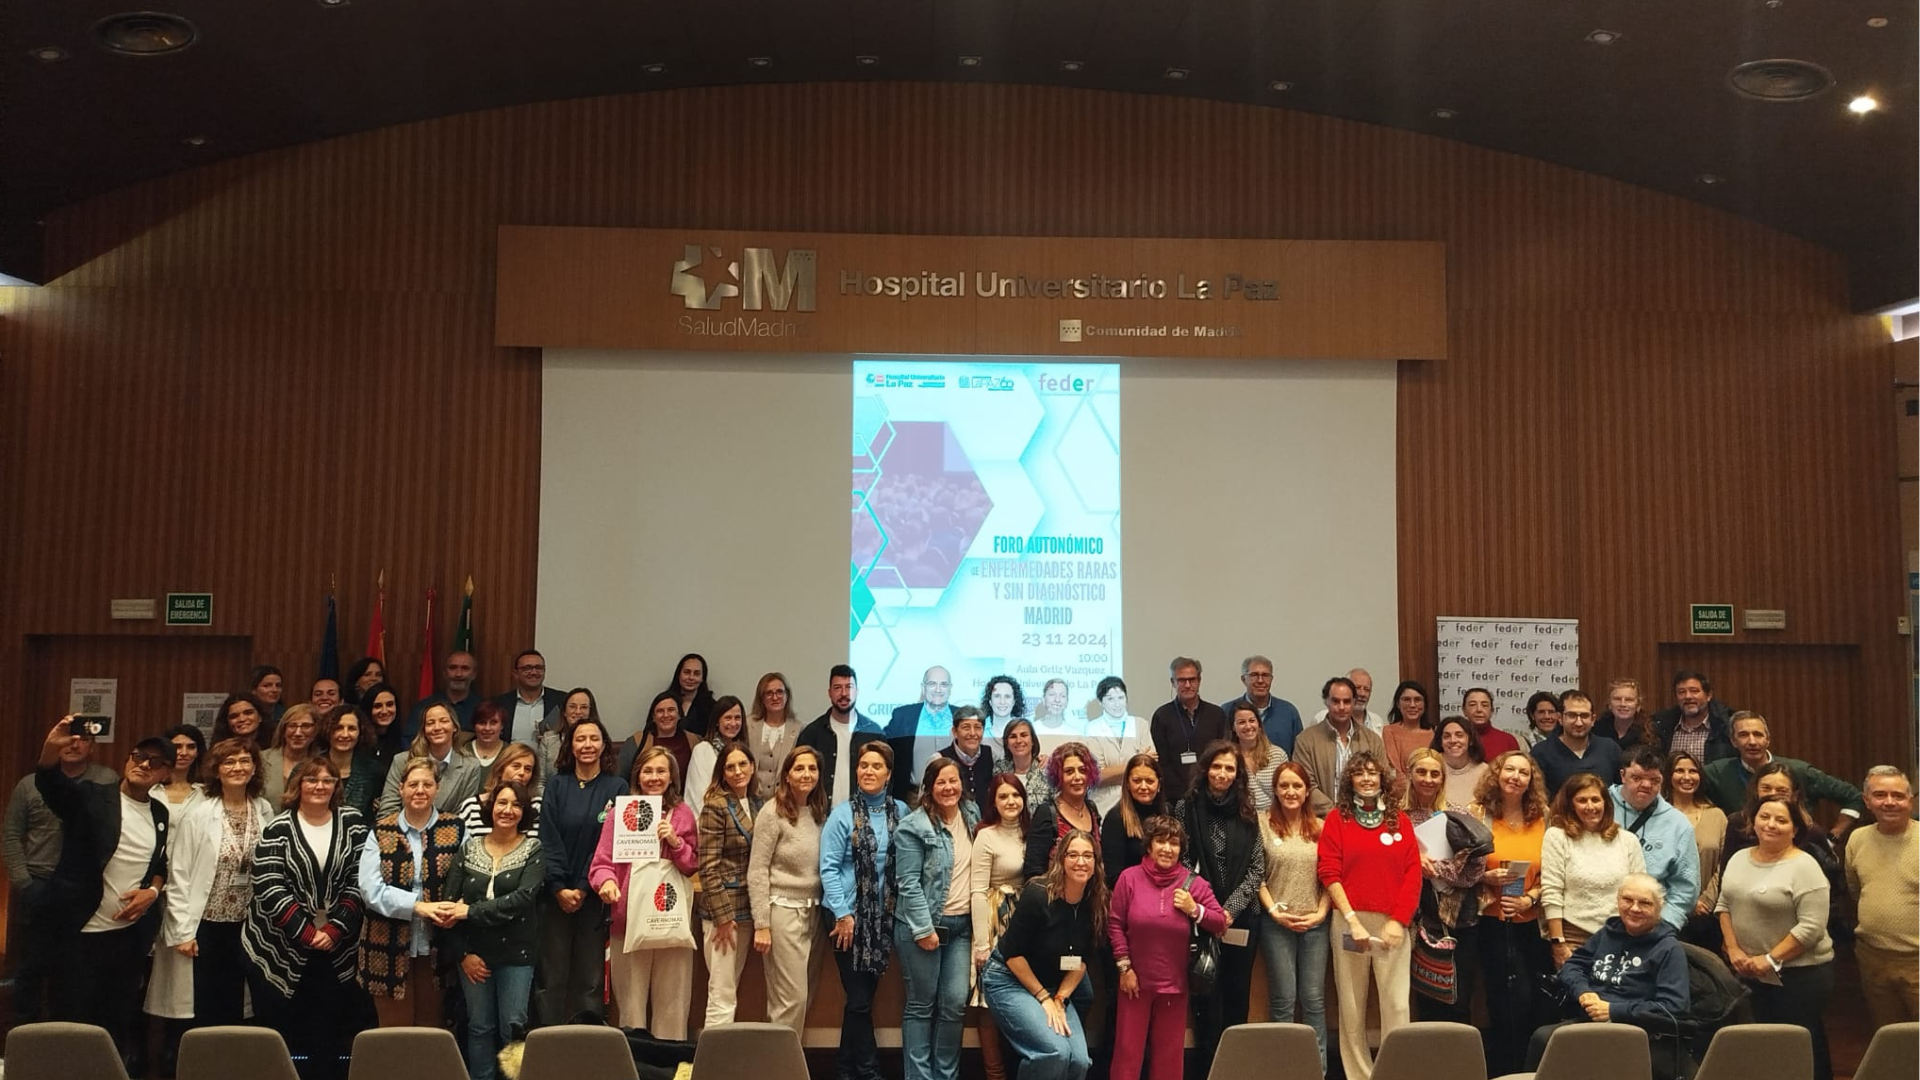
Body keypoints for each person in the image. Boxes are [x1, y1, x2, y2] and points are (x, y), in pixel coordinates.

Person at [33, 719, 173, 1071]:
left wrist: (152, 892)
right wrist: (52, 747)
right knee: (69, 1025)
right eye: (139, 756)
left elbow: (161, 863)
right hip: (79, 935)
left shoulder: (160, 813)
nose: (144, 764)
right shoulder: (93, 796)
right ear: (128, 760)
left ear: (164, 774)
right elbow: (49, 783)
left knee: (113, 1024)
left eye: (155, 762)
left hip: (126, 941)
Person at [244, 757, 368, 1080]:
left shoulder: (353, 823)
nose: (320, 786)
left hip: (335, 945)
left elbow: (362, 879)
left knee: (326, 1029)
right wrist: (306, 931)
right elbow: (267, 882)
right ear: (297, 786)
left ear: (336, 787)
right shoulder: (279, 827)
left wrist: (333, 929)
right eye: (312, 780)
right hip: (279, 945)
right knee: (282, 1029)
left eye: (328, 780)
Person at [149, 738, 272, 1052]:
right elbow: (178, 875)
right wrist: (181, 932)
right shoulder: (199, 814)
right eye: (229, 762)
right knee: (202, 1005)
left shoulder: (264, 809)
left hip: (246, 924)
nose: (237, 768)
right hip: (204, 924)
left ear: (254, 767)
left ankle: (228, 1067)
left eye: (245, 761)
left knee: (236, 1006)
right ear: (216, 770)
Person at [3, 718, 116, 1023]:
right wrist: (24, 883)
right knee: (29, 969)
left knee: (72, 973)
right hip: (37, 884)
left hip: (82, 893)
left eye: (82, 739)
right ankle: (22, 1040)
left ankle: (61, 1042)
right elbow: (11, 835)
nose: (74, 744)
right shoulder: (29, 784)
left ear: (92, 746)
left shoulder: (106, 781)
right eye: (68, 738)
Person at [1716, 794, 1835, 1080]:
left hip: (1801, 974)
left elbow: (1811, 927)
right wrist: (1733, 950)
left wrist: (1771, 959)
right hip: (1748, 970)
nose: (1771, 824)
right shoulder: (1738, 858)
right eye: (1764, 817)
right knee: (1760, 1045)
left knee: (1797, 1045)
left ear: (1794, 829)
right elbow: (1724, 904)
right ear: (1752, 822)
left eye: (1781, 820)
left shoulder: (1805, 866)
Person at [1318, 750, 1420, 1080]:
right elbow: (1329, 872)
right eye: (1359, 773)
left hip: (1393, 924)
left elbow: (1413, 873)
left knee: (1397, 1006)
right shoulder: (1337, 819)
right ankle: (1359, 1076)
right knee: (1351, 1007)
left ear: (1382, 779)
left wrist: (1398, 921)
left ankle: (1397, 1072)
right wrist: (1352, 920)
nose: (1366, 778)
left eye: (1372, 773)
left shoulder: (1398, 820)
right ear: (1350, 779)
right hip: (1350, 923)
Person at [1525, 875, 1690, 1074]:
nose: (1634, 908)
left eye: (1645, 903)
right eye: (1627, 900)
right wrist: (1583, 991)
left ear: (1659, 907)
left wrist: (1614, 1010)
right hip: (1589, 1020)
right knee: (1543, 1038)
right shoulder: (1608, 933)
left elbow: (1674, 1008)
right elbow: (1572, 966)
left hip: (1639, 1030)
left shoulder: (1669, 949)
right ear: (1618, 901)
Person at [591, 744, 699, 1040]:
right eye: (648, 771)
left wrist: (675, 842)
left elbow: (692, 865)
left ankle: (670, 1067)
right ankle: (636, 1066)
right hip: (627, 921)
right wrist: (607, 883)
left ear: (672, 776)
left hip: (670, 919)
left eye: (661, 771)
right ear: (637, 774)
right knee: (631, 1007)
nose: (654, 777)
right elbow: (601, 863)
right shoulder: (620, 813)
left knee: (673, 1003)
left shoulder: (682, 813)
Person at [978, 830, 1106, 1080]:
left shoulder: (1096, 902)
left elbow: (1080, 963)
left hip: (1053, 985)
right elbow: (1013, 955)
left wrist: (1059, 998)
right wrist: (1044, 998)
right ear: (1061, 859)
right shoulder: (1038, 893)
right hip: (1009, 979)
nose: (1081, 862)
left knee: (1078, 1062)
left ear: (1095, 863)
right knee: (1053, 1053)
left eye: (1088, 856)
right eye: (1073, 855)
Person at [1108, 816, 1227, 1080]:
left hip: (1175, 985)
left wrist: (1194, 909)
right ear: (1149, 846)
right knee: (1127, 1055)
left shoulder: (1192, 883)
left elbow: (1219, 922)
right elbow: (1115, 925)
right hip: (1134, 983)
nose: (1167, 848)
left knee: (1169, 1058)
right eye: (1160, 841)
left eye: (1173, 843)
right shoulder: (1129, 879)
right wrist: (1124, 967)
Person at [443, 781, 544, 1080]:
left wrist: (471, 911)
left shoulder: (533, 849)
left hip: (516, 953)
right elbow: (449, 907)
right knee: (478, 1027)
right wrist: (462, 955)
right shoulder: (469, 847)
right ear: (491, 807)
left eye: (515, 805)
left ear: (523, 812)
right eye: (502, 803)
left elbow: (522, 900)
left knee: (513, 1026)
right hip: (474, 955)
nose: (507, 810)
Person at [821, 741, 908, 1080]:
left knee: (860, 1002)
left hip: (882, 919)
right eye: (863, 765)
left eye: (876, 766)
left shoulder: (901, 812)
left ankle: (844, 1069)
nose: (868, 771)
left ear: (888, 774)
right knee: (858, 1000)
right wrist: (843, 914)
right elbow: (828, 868)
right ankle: (870, 1072)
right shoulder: (842, 814)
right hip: (846, 918)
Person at [1177, 740, 1265, 1071]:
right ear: (1205, 769)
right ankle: (1208, 1066)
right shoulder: (1187, 807)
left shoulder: (1246, 807)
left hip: (1242, 918)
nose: (1223, 774)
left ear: (1237, 773)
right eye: (1217, 766)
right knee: (1205, 994)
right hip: (1200, 915)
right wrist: (1211, 911)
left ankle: (1235, 1067)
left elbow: (1257, 869)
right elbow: (1184, 862)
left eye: (1230, 768)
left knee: (1236, 993)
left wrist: (1229, 911)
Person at [535, 716, 626, 1025]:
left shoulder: (617, 787)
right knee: (552, 977)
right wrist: (560, 886)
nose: (587, 745)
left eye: (594, 739)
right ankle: (547, 1048)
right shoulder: (557, 785)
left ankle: (587, 1049)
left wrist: (584, 887)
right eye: (580, 739)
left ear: (604, 746)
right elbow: (548, 838)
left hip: (594, 896)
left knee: (589, 981)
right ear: (570, 746)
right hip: (555, 895)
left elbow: (609, 844)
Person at [358, 756, 462, 1026]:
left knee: (432, 1029)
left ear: (437, 789)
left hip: (437, 947)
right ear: (401, 788)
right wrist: (418, 906)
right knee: (394, 1032)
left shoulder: (457, 828)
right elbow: (370, 890)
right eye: (413, 784)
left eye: (427, 784)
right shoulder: (381, 831)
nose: (420, 790)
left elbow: (469, 881)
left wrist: (458, 908)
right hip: (386, 947)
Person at [894, 757, 980, 1080]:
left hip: (960, 929)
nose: (948, 787)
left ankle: (946, 1076)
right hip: (923, 927)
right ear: (928, 787)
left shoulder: (972, 815)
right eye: (941, 782)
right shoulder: (913, 826)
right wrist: (924, 929)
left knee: (956, 1004)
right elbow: (908, 883)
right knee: (920, 1006)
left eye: (953, 781)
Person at [1467, 751, 1551, 1075]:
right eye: (1510, 770)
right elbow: (1454, 867)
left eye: (1524, 772)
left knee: (1532, 999)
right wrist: (1483, 877)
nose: (1516, 777)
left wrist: (1529, 898)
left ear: (1532, 780)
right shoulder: (1477, 814)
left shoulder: (1543, 815)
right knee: (1503, 1002)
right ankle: (1504, 1070)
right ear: (1497, 774)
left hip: (1533, 923)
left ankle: (1531, 1069)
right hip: (1491, 921)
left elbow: (1556, 871)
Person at [749, 745, 830, 1033]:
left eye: (812, 768)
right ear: (787, 774)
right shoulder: (772, 813)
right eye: (799, 768)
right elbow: (757, 869)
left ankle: (783, 1062)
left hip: (815, 914)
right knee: (789, 1001)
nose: (806, 774)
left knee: (804, 998)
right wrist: (762, 923)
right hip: (782, 912)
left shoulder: (820, 811)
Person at [1256, 762, 1330, 1070]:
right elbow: (1256, 877)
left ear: (1307, 790)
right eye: (1284, 785)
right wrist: (1274, 911)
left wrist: (1321, 913)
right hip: (1276, 924)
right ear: (1275, 789)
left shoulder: (1323, 827)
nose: (1290, 792)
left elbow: (1331, 877)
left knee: (1313, 1001)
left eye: (1296, 786)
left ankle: (1317, 1070)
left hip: (1316, 924)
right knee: (1283, 1000)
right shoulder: (1261, 824)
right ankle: (1282, 1070)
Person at [1541, 772, 1646, 963]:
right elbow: (1551, 892)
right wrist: (1558, 943)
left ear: (1605, 803)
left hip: (1621, 937)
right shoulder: (1557, 837)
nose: (1590, 806)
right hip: (1573, 938)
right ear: (1570, 804)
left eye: (1595, 800)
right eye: (1582, 800)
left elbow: (1641, 892)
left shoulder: (1628, 840)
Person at [1700, 712, 1864, 833]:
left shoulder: (1798, 771)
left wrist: (1833, 837)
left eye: (1758, 735)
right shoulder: (1718, 771)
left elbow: (1854, 797)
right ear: (1733, 741)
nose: (1751, 741)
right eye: (1743, 735)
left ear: (1767, 740)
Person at [697, 740, 765, 1028]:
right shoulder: (715, 806)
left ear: (752, 766)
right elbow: (708, 868)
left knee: (733, 988)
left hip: (749, 908)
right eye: (730, 767)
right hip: (722, 914)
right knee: (722, 993)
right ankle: (713, 1065)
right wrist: (722, 918)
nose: (738, 771)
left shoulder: (758, 803)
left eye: (743, 764)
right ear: (722, 773)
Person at [1844, 765, 1918, 1026]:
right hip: (1872, 959)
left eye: (1897, 796)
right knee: (1888, 1037)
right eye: (1880, 795)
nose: (1889, 802)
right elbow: (1856, 889)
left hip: (1917, 960)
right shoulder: (1857, 839)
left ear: (1910, 800)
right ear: (1867, 801)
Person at [970, 774, 1031, 1080]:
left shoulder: (1031, 832)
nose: (1011, 802)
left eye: (1016, 796)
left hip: (1025, 923)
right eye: (1003, 797)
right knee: (989, 1001)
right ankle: (995, 1075)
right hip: (994, 920)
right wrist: (981, 944)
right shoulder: (986, 835)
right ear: (993, 802)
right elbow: (977, 890)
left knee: (1023, 995)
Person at [1611, 745, 1701, 929]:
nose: (1646, 785)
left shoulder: (1678, 825)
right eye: (1636, 778)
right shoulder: (1598, 807)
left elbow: (1685, 888)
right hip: (1596, 918)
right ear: (1622, 775)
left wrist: (1662, 926)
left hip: (1650, 924)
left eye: (1654, 780)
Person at [1293, 676, 1386, 817]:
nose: (1341, 707)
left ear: (1354, 702)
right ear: (1326, 701)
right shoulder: (1306, 740)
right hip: (1321, 820)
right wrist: (1334, 814)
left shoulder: (1373, 740)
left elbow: (1382, 779)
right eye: (1335, 701)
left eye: (1347, 702)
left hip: (1365, 817)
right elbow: (1305, 784)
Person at [798, 664, 887, 805]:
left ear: (857, 691)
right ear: (829, 693)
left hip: (863, 816)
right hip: (820, 816)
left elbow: (886, 780)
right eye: (837, 688)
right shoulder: (812, 733)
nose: (844, 693)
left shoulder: (874, 733)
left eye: (849, 687)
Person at [1665, 750, 1728, 948]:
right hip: (1666, 913)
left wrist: (1706, 901)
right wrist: (1683, 902)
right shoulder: (1656, 815)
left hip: (1707, 915)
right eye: (1679, 771)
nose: (1686, 777)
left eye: (1693, 771)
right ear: (1668, 776)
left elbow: (1724, 864)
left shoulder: (1716, 815)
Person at [379, 702, 484, 816]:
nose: (437, 727)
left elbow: (463, 815)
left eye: (444, 721)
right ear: (424, 730)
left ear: (455, 727)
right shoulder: (402, 761)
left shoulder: (470, 766)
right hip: (400, 831)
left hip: (449, 831)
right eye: (430, 723)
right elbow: (388, 811)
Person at [1148, 657, 1227, 796]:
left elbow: (1224, 754)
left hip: (1212, 792)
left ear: (1199, 681)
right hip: (1174, 796)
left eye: (1192, 679)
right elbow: (1161, 762)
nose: (1188, 685)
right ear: (1173, 682)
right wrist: (1182, 793)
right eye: (1182, 680)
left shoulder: (1216, 714)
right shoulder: (1162, 716)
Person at [1024, 742, 1101, 878]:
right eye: (1069, 771)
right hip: (1054, 895)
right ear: (1058, 777)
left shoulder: (1092, 809)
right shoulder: (1047, 813)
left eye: (1082, 770)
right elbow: (1033, 871)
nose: (1077, 777)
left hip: (1090, 894)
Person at [1528, 690, 1623, 798]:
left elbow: (1622, 793)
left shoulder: (1610, 749)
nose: (1578, 722)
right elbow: (1535, 798)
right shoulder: (1541, 753)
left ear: (1593, 719)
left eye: (1584, 716)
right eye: (1572, 715)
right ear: (1560, 718)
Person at [1099, 753, 1166, 888]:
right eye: (1137, 781)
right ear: (1127, 784)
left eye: (1149, 781)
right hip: (1131, 895)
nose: (1143, 786)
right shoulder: (1115, 818)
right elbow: (1113, 877)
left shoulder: (1168, 812)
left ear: (1159, 784)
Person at [887, 665, 957, 790]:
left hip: (952, 794)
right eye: (932, 684)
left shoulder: (962, 717)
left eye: (944, 684)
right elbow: (885, 752)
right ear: (923, 688)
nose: (938, 689)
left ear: (950, 689)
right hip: (912, 798)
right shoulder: (903, 716)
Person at [1220, 655, 1305, 757]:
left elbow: (1299, 754)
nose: (1260, 680)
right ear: (1243, 679)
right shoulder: (1226, 711)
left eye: (1265, 675)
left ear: (1271, 679)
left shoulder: (1289, 712)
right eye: (1254, 675)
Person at [1083, 676, 1144, 815]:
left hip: (1137, 802)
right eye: (1110, 699)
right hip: (1104, 805)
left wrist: (1113, 771)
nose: (1117, 704)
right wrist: (1136, 764)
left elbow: (1149, 769)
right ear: (1101, 702)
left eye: (1121, 698)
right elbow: (1097, 776)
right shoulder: (1092, 728)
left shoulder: (1140, 725)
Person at [456, 742, 541, 835]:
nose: (522, 773)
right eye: (516, 766)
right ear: (501, 769)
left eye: (528, 769)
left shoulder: (538, 806)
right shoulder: (471, 806)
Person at [1651, 670, 1734, 764]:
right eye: (1681, 692)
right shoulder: (1663, 726)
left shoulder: (1725, 726)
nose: (1688, 696)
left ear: (1709, 695)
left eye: (1694, 691)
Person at [490, 649, 568, 746]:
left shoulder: (562, 701)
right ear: (515, 673)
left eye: (539, 668)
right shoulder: (498, 704)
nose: (534, 672)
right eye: (527, 668)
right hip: (510, 759)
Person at [619, 690, 699, 782]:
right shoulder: (637, 741)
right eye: (660, 711)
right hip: (646, 795)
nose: (666, 715)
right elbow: (620, 777)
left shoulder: (694, 741)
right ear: (653, 717)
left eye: (671, 710)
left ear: (679, 714)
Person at [930, 706, 997, 813]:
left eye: (978, 727)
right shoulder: (939, 759)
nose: (972, 733)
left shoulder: (990, 754)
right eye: (966, 727)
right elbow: (926, 799)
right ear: (955, 732)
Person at [747, 672, 804, 800]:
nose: (775, 697)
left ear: (787, 695)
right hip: (752, 801)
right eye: (769, 693)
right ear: (761, 698)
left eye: (779, 692)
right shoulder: (748, 726)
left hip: (785, 802)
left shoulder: (799, 729)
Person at [685, 694, 748, 807]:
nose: (733, 723)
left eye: (737, 718)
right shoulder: (702, 750)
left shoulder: (744, 751)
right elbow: (698, 795)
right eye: (728, 718)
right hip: (710, 817)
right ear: (717, 721)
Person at [1230, 700, 1288, 815]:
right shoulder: (1229, 758)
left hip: (1275, 819)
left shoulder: (1278, 755)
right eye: (1241, 722)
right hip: (1241, 820)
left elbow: (1287, 790)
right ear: (1233, 728)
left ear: (1259, 725)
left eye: (1252, 721)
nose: (1248, 726)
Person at [324, 706, 381, 818]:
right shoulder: (307, 768)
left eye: (351, 729)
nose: (345, 734)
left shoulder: (373, 772)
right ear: (327, 730)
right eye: (338, 728)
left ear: (360, 733)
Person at [1380, 679, 1434, 795]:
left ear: (1425, 705)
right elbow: (1394, 770)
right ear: (1398, 704)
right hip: (1402, 798)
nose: (1412, 705)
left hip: (1432, 796)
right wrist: (1414, 795)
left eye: (1418, 700)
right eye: (1406, 700)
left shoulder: (1434, 732)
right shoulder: (1389, 731)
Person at [409, 651, 481, 738]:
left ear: (474, 674)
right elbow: (410, 741)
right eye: (452, 668)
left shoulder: (484, 708)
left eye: (465, 668)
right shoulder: (424, 707)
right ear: (444, 673)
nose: (458, 674)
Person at [261, 703, 321, 806]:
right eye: (292, 726)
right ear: (283, 730)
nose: (298, 733)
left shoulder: (322, 763)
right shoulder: (261, 759)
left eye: (306, 726)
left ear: (315, 731)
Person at [1312, 668, 1388, 736]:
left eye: (1366, 689)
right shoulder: (1320, 718)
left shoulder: (1377, 721)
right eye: (1357, 688)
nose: (1362, 694)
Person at [1433, 716, 1489, 809]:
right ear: (1440, 742)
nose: (1453, 740)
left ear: (1470, 740)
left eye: (1459, 735)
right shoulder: (1429, 767)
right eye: (1447, 736)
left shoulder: (1485, 772)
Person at [358, 682, 408, 785]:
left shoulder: (404, 743)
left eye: (390, 704)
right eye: (377, 706)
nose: (384, 711)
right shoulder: (358, 742)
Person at [155, 723, 208, 814]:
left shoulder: (206, 792)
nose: (184, 753)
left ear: (198, 753)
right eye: (177, 747)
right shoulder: (150, 789)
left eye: (191, 747)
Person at [998, 716, 1051, 806]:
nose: (1018, 740)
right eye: (1013, 736)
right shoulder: (999, 769)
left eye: (1024, 735)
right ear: (1007, 743)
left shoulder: (1047, 771)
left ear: (1033, 741)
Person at [664, 651, 717, 738]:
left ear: (702, 678)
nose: (691, 677)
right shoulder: (664, 702)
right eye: (687, 672)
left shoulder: (712, 707)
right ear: (679, 674)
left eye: (696, 674)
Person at [1597, 678, 1657, 751]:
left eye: (1629, 700)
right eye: (1617, 699)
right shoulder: (1597, 731)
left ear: (1638, 706)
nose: (1623, 704)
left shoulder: (1650, 734)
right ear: (1609, 704)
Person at [1462, 687, 1519, 758]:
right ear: (1464, 710)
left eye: (1484, 705)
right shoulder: (1455, 739)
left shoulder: (1508, 740)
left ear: (1492, 710)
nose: (1479, 710)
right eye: (1472, 705)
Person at [463, 701, 510, 771]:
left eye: (493, 723)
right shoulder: (463, 751)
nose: (487, 728)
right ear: (474, 726)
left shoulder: (511, 752)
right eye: (482, 723)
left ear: (502, 726)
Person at [251, 665, 289, 730]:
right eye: (267, 686)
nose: (274, 690)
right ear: (254, 690)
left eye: (278, 685)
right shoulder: (247, 715)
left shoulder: (286, 717)